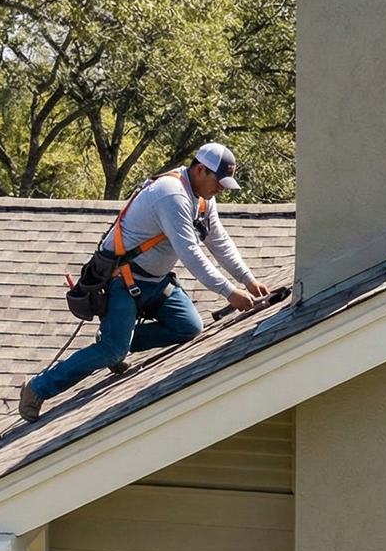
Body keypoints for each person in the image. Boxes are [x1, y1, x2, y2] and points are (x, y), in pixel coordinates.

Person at [20, 142, 269, 422]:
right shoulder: (171, 195)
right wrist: (229, 292)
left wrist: (248, 279)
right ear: (200, 170)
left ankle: (117, 338)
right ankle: (38, 388)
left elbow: (218, 240)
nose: (221, 189)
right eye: (219, 182)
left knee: (189, 327)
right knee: (113, 350)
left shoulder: (204, 199)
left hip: (156, 282)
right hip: (122, 282)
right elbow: (191, 252)